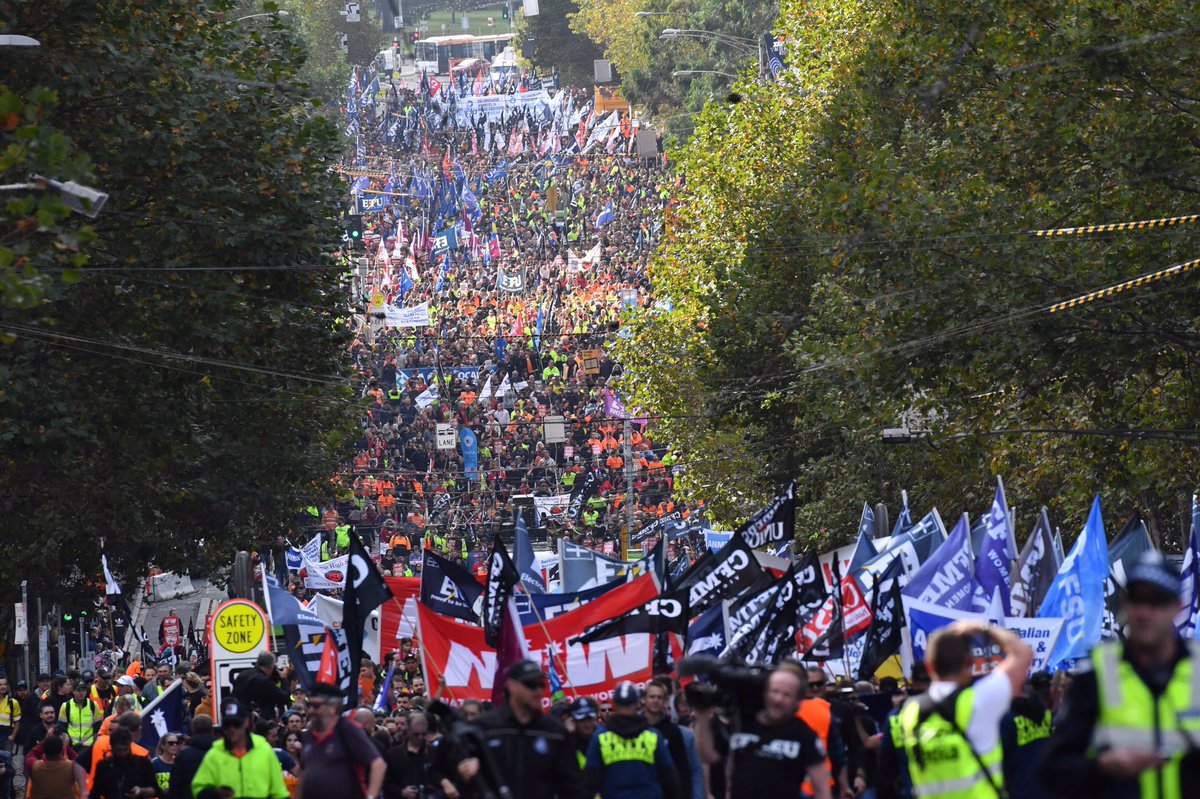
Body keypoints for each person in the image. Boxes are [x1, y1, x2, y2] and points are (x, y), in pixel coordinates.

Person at [1042, 551, 1200, 799]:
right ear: (1125, 603)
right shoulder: (1095, 674)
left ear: (1177, 607)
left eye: (1156, 601)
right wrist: (1101, 767)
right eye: (1137, 599)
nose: (1144, 611)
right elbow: (1053, 769)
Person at [899, 619, 1033, 799]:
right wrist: (982, 628)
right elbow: (1023, 653)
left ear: (930, 666)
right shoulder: (980, 700)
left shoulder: (909, 712)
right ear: (969, 663)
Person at [693, 662, 832, 799]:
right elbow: (708, 756)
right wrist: (702, 715)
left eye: (786, 695)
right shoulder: (742, 722)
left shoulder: (803, 734)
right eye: (775, 691)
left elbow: (821, 788)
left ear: (797, 701)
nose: (778, 699)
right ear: (765, 692)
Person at [454, 659, 586, 799]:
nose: (538, 691)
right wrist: (465, 774)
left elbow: (573, 786)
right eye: (530, 685)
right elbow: (462, 783)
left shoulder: (554, 731)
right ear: (511, 686)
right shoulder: (485, 728)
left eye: (541, 685)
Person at [583, 681, 680, 799]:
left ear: (614, 704)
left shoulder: (601, 738)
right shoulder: (652, 736)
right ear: (638, 704)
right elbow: (670, 780)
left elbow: (589, 784)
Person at [295, 683, 385, 799]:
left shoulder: (348, 730)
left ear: (332, 708)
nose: (311, 710)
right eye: (309, 705)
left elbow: (378, 764)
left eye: (316, 706)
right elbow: (304, 772)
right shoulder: (309, 735)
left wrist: (371, 797)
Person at [191, 698, 288, 799]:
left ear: (246, 722)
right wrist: (215, 794)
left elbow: (279, 791)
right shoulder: (215, 754)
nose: (231, 729)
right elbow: (198, 788)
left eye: (236, 723)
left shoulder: (264, 750)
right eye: (227, 724)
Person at [999, 678, 1052, 799]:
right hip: (1046, 788)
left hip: (1021, 790)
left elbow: (999, 759)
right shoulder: (1045, 714)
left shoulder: (1007, 720)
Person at [642, 680, 693, 799]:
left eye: (659, 697)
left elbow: (682, 768)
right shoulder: (634, 728)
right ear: (644, 699)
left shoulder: (673, 731)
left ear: (665, 701)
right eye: (652, 697)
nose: (655, 700)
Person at [92, 726, 159, 799]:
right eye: (119, 750)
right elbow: (95, 793)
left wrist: (140, 791)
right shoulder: (104, 766)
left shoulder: (143, 763)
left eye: (125, 750)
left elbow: (155, 790)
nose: (123, 754)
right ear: (112, 747)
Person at [27, 731, 88, 799]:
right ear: (61, 750)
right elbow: (79, 760)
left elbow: (31, 755)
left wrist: (45, 740)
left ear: (44, 750)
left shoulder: (35, 767)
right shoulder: (71, 766)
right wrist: (65, 746)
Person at [383, 710, 429, 799]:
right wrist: (401, 792)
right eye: (416, 734)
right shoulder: (394, 754)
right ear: (408, 731)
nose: (420, 738)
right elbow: (386, 783)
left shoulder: (433, 752)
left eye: (423, 734)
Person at [233, 653, 292, 722]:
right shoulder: (264, 681)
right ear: (271, 667)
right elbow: (285, 698)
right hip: (262, 722)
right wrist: (283, 678)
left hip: (241, 718)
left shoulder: (242, 675)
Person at [169, 713, 214, 799]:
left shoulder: (183, 756)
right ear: (212, 729)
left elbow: (175, 786)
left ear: (193, 730)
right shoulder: (222, 753)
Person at [59, 678, 103, 748]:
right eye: (78, 690)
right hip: (72, 746)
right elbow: (62, 726)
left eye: (83, 690)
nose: (81, 693)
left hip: (89, 745)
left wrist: (93, 742)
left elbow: (98, 726)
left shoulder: (93, 705)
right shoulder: (66, 706)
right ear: (73, 691)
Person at [565, 696, 600, 769]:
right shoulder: (566, 746)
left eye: (590, 719)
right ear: (573, 721)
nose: (587, 724)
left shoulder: (606, 740)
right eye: (582, 720)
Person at [0, 677, 21, 754]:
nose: (3, 686)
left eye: (5, 684)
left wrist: (13, 736)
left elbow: (17, 721)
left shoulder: (13, 702)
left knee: (7, 761)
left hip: (7, 736)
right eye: (0, 685)